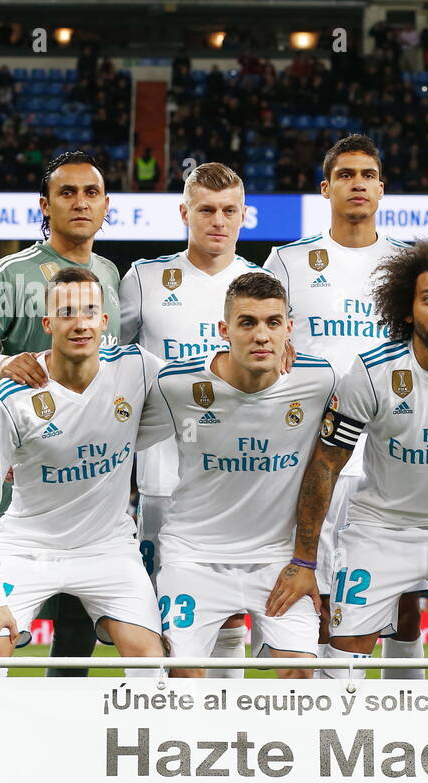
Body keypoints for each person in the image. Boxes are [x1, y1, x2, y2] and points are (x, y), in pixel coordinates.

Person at [267, 241, 428, 680]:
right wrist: (305, 561)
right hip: (381, 531)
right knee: (345, 659)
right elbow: (325, 465)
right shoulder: (371, 372)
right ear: (408, 311)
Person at [0, 267, 167, 783]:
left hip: (109, 550)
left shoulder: (139, 369)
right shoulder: (10, 398)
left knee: (149, 656)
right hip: (26, 547)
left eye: (89, 312)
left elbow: (206, 389)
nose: (80, 323)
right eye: (66, 313)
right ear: (47, 322)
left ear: (106, 319)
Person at [0, 149, 123, 679]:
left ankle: (56, 747)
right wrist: (2, 362)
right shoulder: (11, 273)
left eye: (91, 193)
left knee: (73, 632)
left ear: (106, 205)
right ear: (45, 206)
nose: (80, 203)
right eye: (67, 193)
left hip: (87, 489)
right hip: (22, 485)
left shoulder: (109, 273)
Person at [263, 134, 427, 677]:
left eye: (368, 175)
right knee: (314, 572)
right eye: (346, 175)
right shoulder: (287, 261)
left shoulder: (408, 263)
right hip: (313, 449)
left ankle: (404, 699)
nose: (358, 183)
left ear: (382, 188)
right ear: (325, 187)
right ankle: (321, 689)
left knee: (400, 587)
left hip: (392, 445)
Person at [121, 161, 290, 677]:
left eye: (229, 211)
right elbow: (114, 368)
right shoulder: (146, 279)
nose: (218, 220)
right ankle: (154, 726)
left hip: (246, 479)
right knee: (158, 615)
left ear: (245, 216)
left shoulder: (264, 283)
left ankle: (226, 725)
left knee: (233, 609)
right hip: (163, 478)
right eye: (206, 210)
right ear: (184, 213)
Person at [138, 272, 336, 680]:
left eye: (272, 323)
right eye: (248, 323)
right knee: (181, 676)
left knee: (302, 679)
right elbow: (116, 436)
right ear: (224, 331)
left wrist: (305, 559)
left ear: (288, 330)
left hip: (278, 560)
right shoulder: (177, 384)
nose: (261, 335)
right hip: (194, 557)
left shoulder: (320, 380)